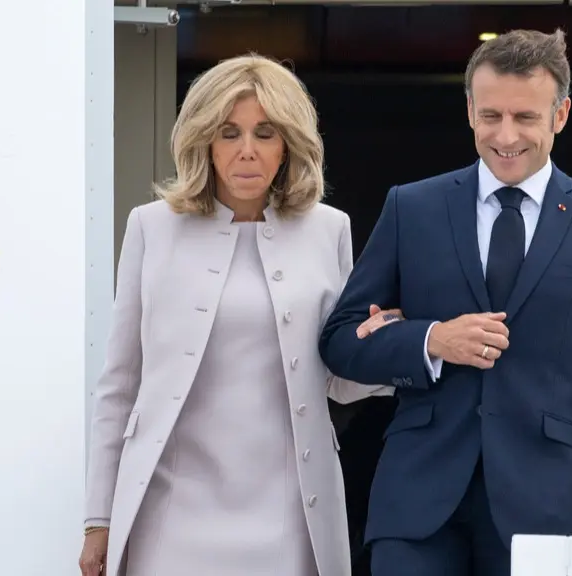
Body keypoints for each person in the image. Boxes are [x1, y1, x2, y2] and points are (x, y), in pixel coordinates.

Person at [318, 29, 572, 576]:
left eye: (525, 118)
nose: (506, 135)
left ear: (560, 115)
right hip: (419, 503)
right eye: (491, 115)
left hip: (551, 505)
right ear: (469, 110)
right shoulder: (412, 207)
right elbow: (340, 340)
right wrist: (432, 340)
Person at [78, 53, 394, 576]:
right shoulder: (150, 227)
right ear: (203, 139)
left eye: (265, 133)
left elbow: (338, 380)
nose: (247, 151)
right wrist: (97, 519)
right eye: (229, 133)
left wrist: (386, 348)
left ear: (289, 143)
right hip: (170, 509)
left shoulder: (329, 229)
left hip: (291, 509)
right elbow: (120, 383)